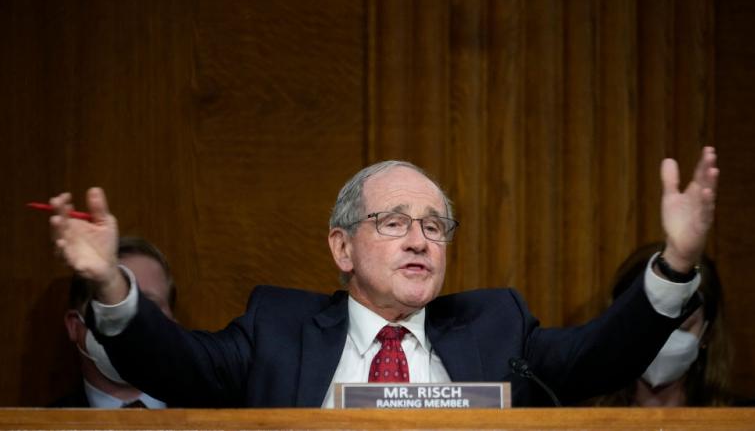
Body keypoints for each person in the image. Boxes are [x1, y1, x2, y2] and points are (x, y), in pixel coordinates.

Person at [47, 147, 719, 407]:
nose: (420, 239)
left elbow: (600, 356)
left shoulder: (496, 326)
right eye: (394, 223)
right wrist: (110, 285)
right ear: (342, 247)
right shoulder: (277, 329)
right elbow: (175, 366)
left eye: (435, 225)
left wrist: (677, 264)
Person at [591, 243, 755, 407]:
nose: (662, 341)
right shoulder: (579, 420)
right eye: (647, 325)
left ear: (707, 332)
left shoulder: (748, 422)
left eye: (681, 326)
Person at [52, 236, 177, 408]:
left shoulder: (218, 420)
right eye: (110, 306)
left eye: (149, 306)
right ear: (74, 325)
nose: (131, 325)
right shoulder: (37, 426)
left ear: (174, 324)